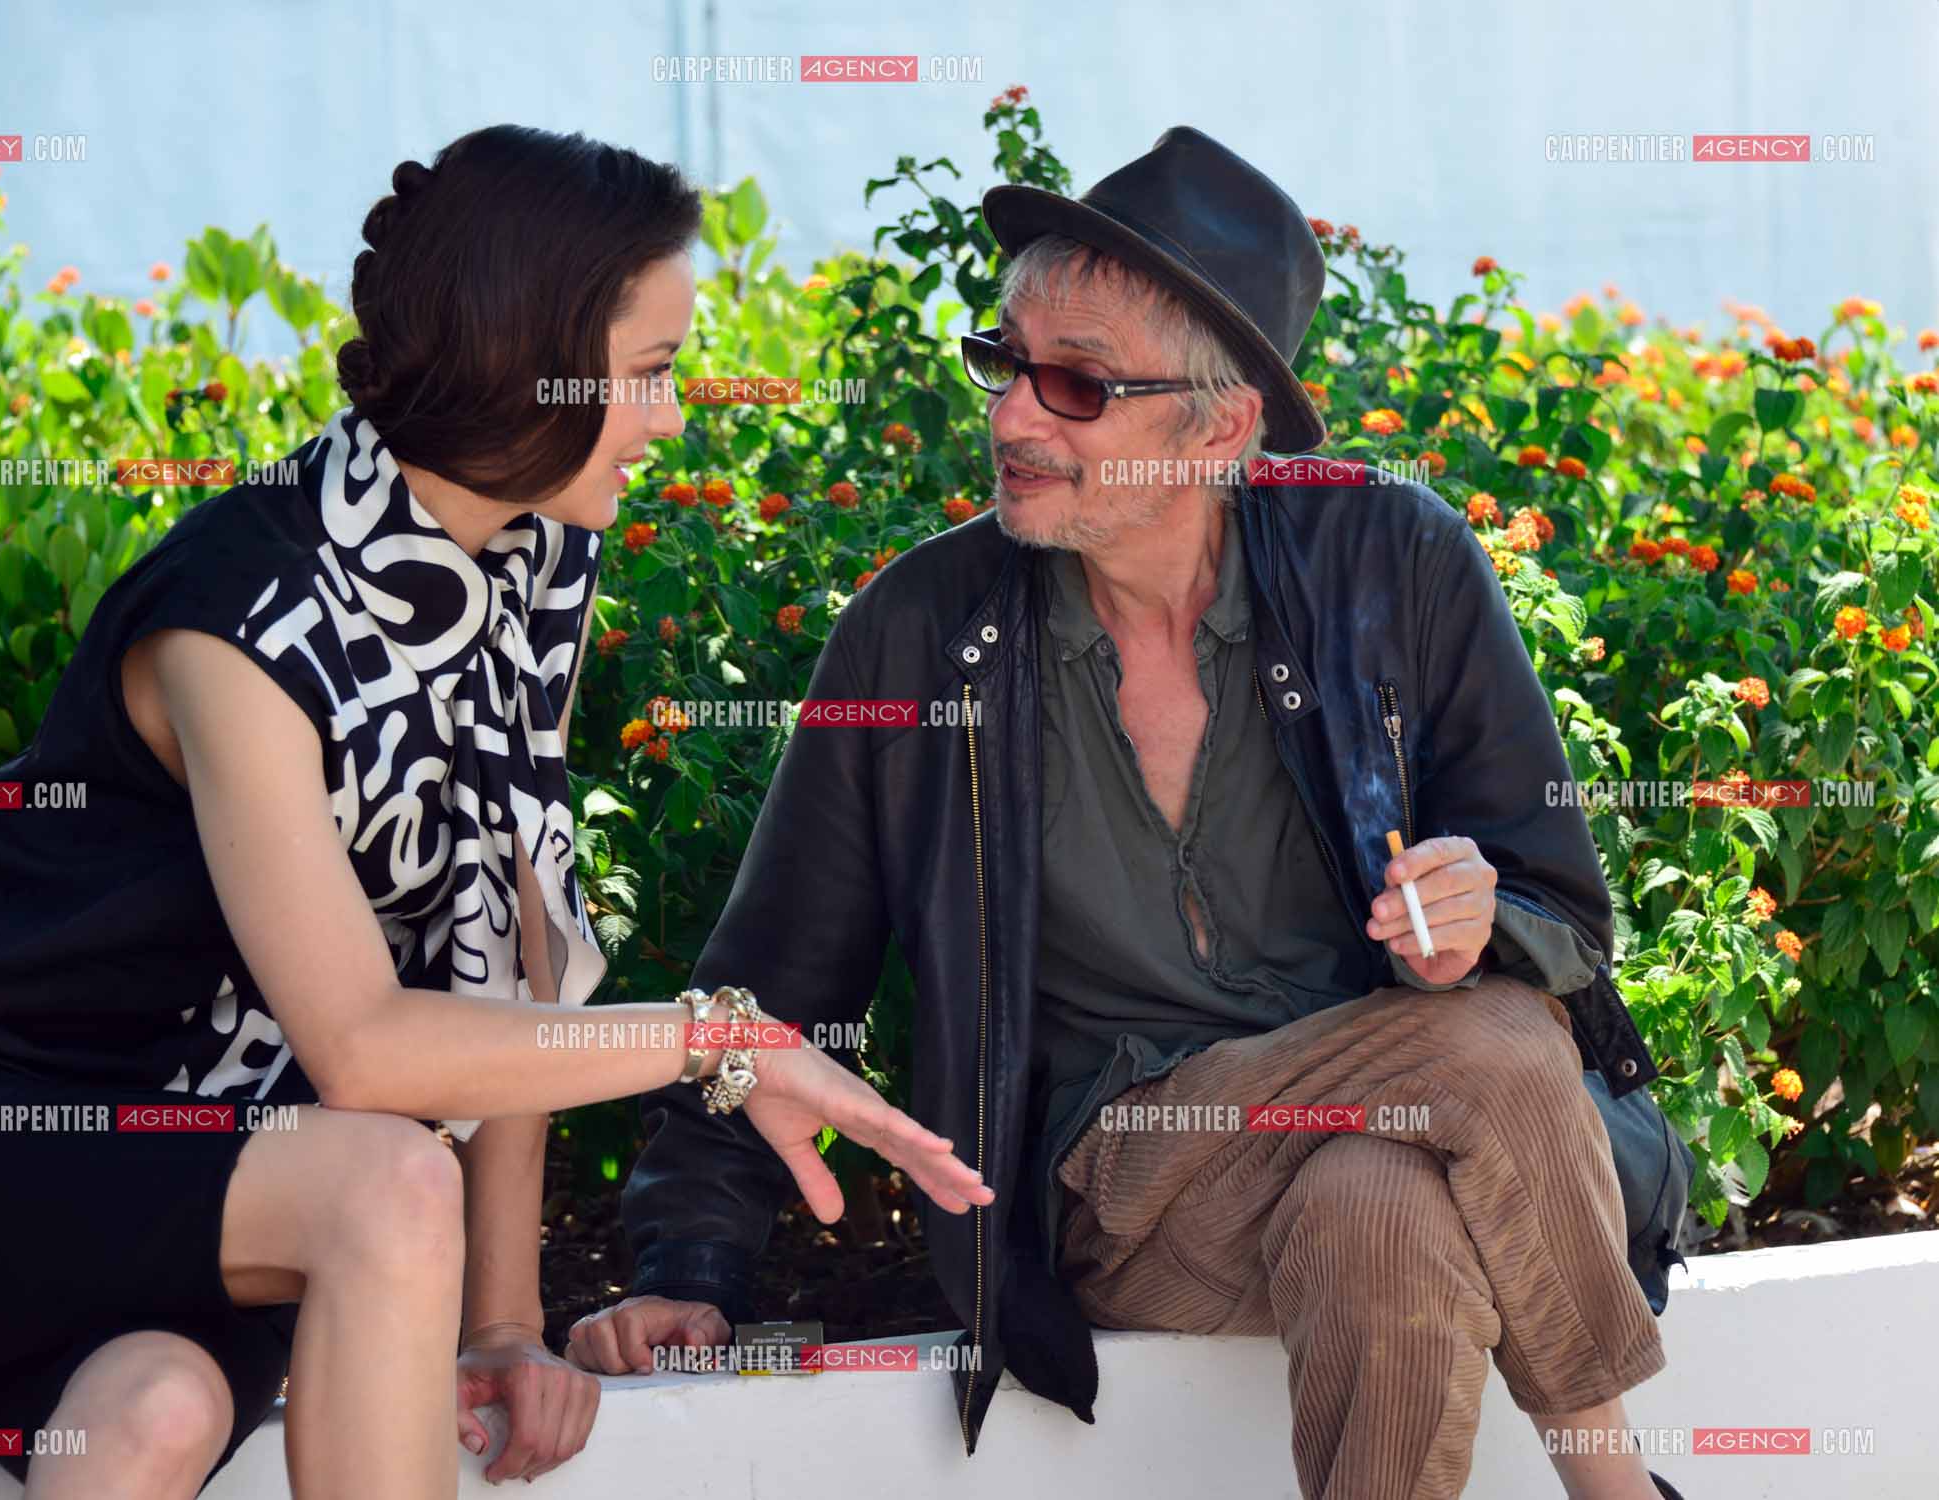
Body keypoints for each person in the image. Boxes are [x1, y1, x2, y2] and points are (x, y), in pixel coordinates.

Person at [0, 124, 990, 1500]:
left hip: (219, 1188)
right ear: (519, 354)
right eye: (649, 373)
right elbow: (366, 1054)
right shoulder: (242, 617)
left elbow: (512, 937)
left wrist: (502, 1327)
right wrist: (716, 1043)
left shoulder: (531, 559)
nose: (672, 418)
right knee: (384, 1178)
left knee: (153, 1417)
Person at [570, 127, 1697, 1500]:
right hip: (1118, 1179)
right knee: (1503, 1059)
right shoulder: (921, 636)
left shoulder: (1388, 563)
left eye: (1077, 385)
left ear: (1219, 429)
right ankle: (1620, 1490)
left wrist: (1477, 922)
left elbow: (1556, 908)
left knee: (1378, 1206)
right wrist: (690, 1270)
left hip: (1361, 1146)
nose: (1011, 418)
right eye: (1006, 363)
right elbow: (770, 982)